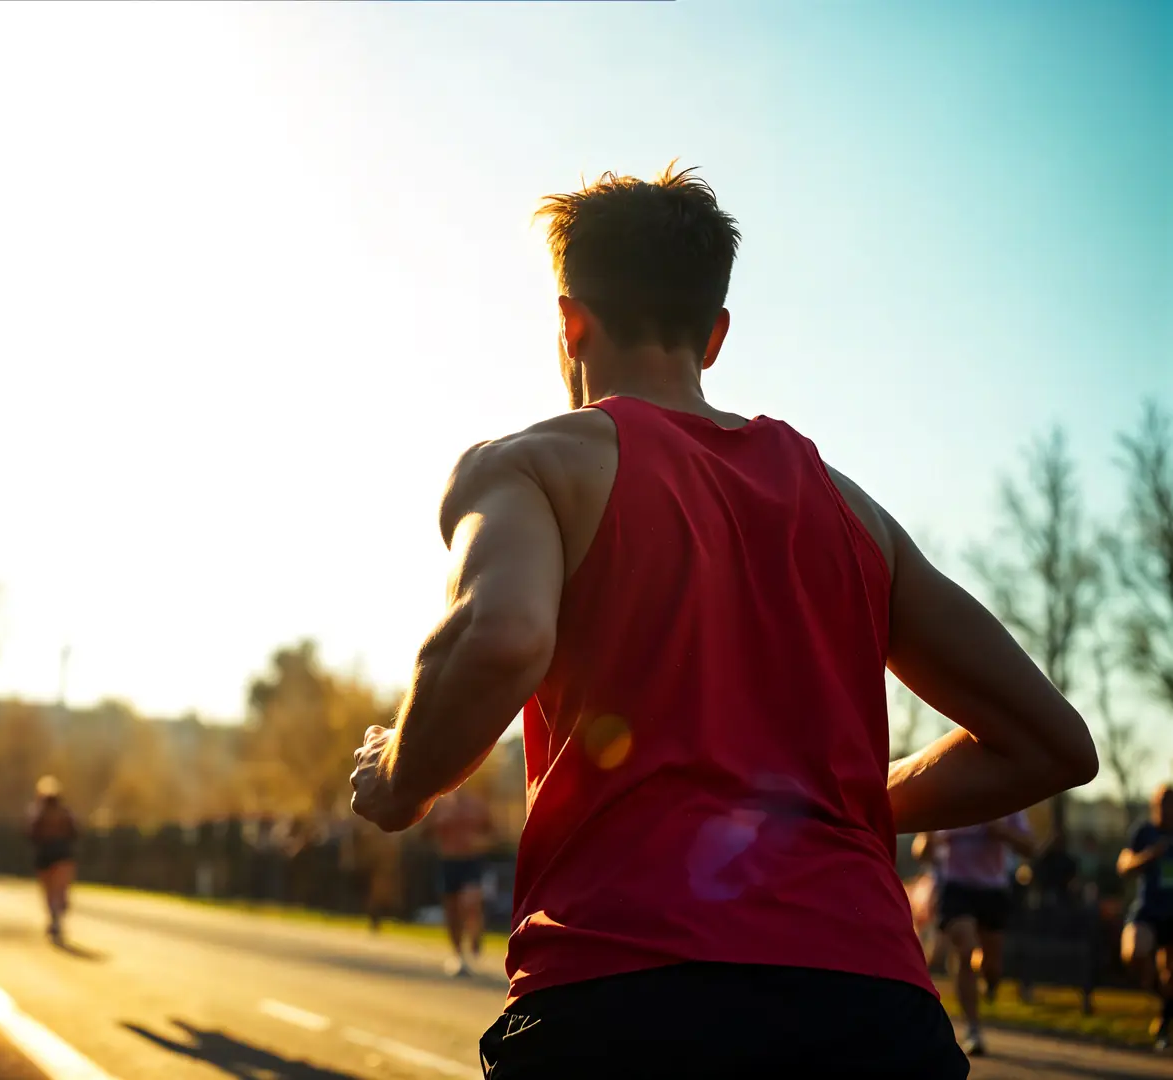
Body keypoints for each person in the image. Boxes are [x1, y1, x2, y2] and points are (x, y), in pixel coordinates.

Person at [346, 165, 1098, 1078]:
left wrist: (400, 777)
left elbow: (499, 638)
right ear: (716, 333)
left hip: (627, 997)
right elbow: (1052, 744)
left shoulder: (534, 467)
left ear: (568, 322)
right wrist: (833, 812)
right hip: (875, 1015)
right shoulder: (849, 509)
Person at [913, 813, 1037, 1055]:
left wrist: (1001, 831)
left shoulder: (1004, 798)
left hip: (993, 889)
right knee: (965, 948)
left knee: (992, 966)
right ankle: (973, 1028)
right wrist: (928, 839)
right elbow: (920, 852)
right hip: (955, 888)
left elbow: (1030, 847)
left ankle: (989, 980)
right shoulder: (946, 799)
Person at [1119, 784, 1173, 1051]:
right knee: (1135, 952)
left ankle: (1164, 1021)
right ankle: (1158, 993)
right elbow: (1124, 865)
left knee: (1171, 974)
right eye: (1161, 802)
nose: (1165, 808)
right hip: (1148, 911)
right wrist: (1151, 855)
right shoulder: (1145, 832)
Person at [429, 786, 495, 977]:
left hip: (471, 861)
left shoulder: (477, 805)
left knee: (470, 902)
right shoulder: (439, 805)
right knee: (451, 910)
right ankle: (458, 955)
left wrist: (481, 842)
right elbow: (426, 833)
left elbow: (492, 833)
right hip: (448, 862)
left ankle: (476, 938)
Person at [29, 776, 78, 942]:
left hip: (46, 854)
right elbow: (75, 832)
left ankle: (55, 918)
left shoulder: (38, 812)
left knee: (50, 892)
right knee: (59, 890)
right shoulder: (65, 812)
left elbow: (30, 833)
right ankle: (57, 918)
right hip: (62, 853)